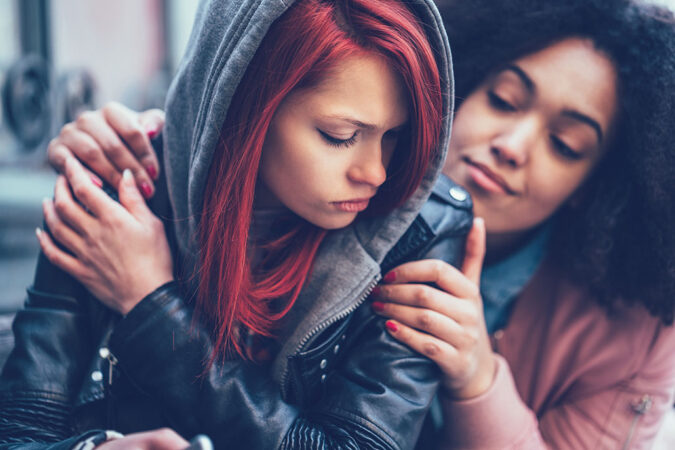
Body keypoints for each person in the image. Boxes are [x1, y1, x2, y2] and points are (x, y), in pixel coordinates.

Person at [0, 0, 465, 449]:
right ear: (242, 102)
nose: (377, 173)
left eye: (394, 137)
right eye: (341, 136)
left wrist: (149, 302)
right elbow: (20, 430)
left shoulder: (417, 233)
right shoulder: (124, 190)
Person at [369, 0, 675, 448]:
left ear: (590, 190)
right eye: (504, 100)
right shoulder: (340, 173)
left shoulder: (637, 340)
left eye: (565, 145)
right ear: (465, 81)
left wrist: (478, 379)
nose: (512, 145)